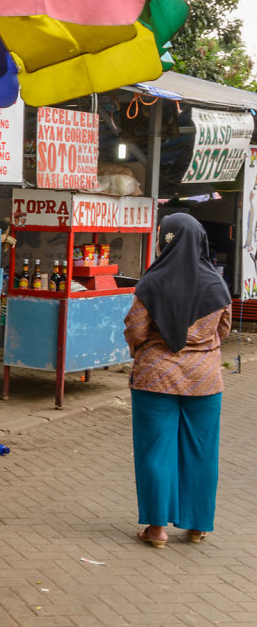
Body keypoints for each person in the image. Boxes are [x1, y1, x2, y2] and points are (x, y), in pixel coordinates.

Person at [123, 213, 231, 548]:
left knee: (156, 452)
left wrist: (144, 350)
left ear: (166, 241)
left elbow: (136, 329)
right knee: (201, 452)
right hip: (204, 380)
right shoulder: (216, 284)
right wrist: (201, 349)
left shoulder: (151, 283)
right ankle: (197, 525)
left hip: (155, 377)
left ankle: (156, 530)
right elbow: (223, 328)